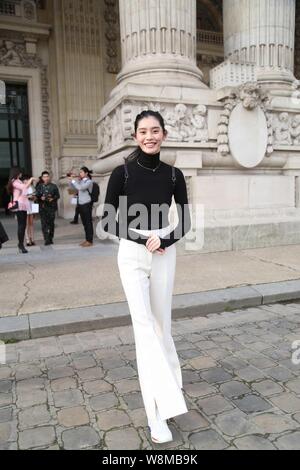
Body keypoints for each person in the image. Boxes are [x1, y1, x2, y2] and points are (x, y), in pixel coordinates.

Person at [100, 110, 191, 444]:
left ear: (164, 135)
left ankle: (171, 386)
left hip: (165, 253)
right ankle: (157, 415)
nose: (149, 136)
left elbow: (186, 221)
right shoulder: (121, 173)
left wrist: (164, 239)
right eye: (143, 131)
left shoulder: (173, 175)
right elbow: (107, 220)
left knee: (162, 327)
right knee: (144, 331)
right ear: (135, 136)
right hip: (133, 253)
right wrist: (142, 239)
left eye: (155, 130)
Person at [6, 167, 36, 254]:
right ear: (16, 173)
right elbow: (24, 187)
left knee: (23, 225)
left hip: (24, 205)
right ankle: (21, 245)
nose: (21, 173)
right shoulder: (14, 182)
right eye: (20, 172)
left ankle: (20, 244)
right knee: (21, 226)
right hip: (19, 206)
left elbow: (25, 191)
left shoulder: (18, 181)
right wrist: (31, 179)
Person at [68, 167, 94, 247]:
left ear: (86, 173)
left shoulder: (89, 181)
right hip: (80, 204)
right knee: (84, 223)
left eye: (82, 172)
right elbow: (72, 190)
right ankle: (87, 239)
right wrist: (70, 181)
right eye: (80, 172)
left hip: (87, 204)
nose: (80, 174)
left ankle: (90, 240)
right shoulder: (80, 181)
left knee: (88, 223)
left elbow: (81, 188)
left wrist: (73, 180)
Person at [36, 171, 60, 246]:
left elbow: (58, 196)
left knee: (51, 224)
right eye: (44, 177)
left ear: (49, 177)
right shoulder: (39, 186)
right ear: (42, 178)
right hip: (42, 207)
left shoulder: (54, 186)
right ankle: (46, 239)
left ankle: (50, 238)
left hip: (51, 207)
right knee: (44, 224)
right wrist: (40, 198)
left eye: (47, 176)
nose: (46, 178)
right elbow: (36, 196)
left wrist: (52, 198)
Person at [23, 174, 37, 246]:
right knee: (26, 224)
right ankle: (27, 239)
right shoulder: (22, 187)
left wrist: (33, 197)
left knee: (31, 223)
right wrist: (27, 197)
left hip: (32, 206)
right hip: (25, 207)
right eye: (25, 180)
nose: (26, 181)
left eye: (28, 180)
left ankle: (32, 238)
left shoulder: (32, 187)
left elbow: (35, 197)